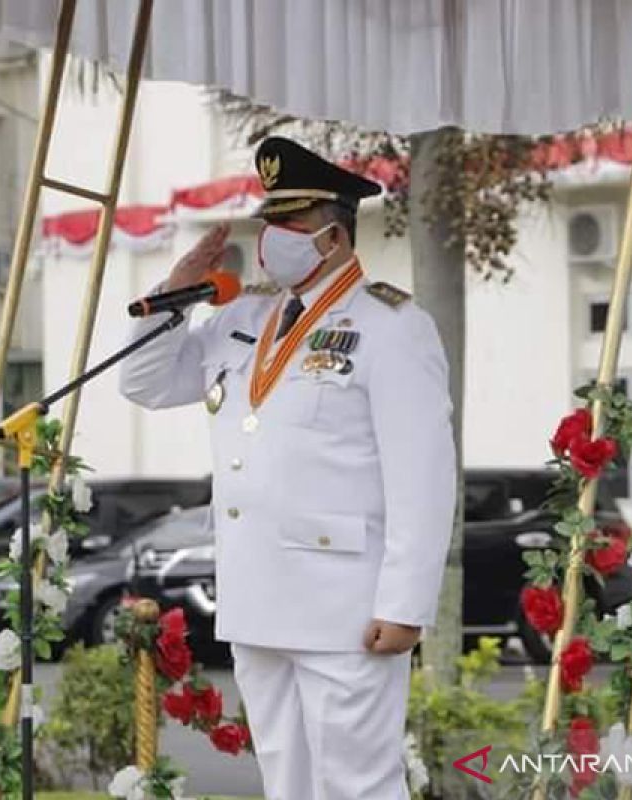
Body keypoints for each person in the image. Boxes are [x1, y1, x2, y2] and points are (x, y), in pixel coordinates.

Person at [119, 137, 456, 799]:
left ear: (333, 236)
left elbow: (423, 474)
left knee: (358, 784)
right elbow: (144, 384)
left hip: (346, 607)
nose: (274, 239)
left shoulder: (391, 326)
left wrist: (407, 603)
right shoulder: (245, 318)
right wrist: (174, 293)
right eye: (270, 223)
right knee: (286, 781)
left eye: (292, 225)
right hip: (256, 598)